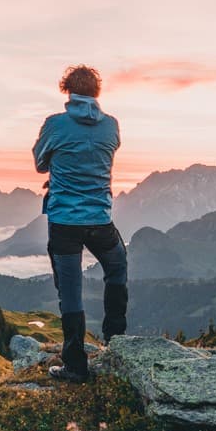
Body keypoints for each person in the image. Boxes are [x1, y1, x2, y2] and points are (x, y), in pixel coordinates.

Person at [32, 64, 128, 380]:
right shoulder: (111, 126)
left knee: (70, 291)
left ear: (68, 91)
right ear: (97, 93)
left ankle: (75, 365)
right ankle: (116, 343)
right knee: (117, 267)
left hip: (63, 220)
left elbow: (40, 163)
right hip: (100, 218)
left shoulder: (55, 125)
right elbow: (105, 155)